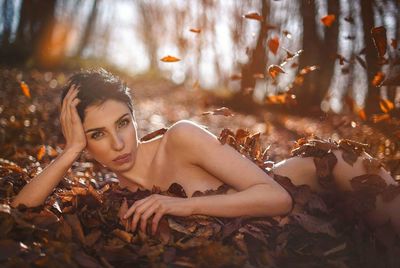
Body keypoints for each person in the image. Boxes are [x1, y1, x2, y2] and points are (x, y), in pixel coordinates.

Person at [11, 68, 400, 237]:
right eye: (97, 135)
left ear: (134, 117)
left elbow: (278, 198)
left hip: (327, 175)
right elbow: (16, 215)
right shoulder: (114, 200)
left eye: (123, 124)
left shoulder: (180, 137)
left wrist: (181, 205)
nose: (117, 144)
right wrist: (70, 152)